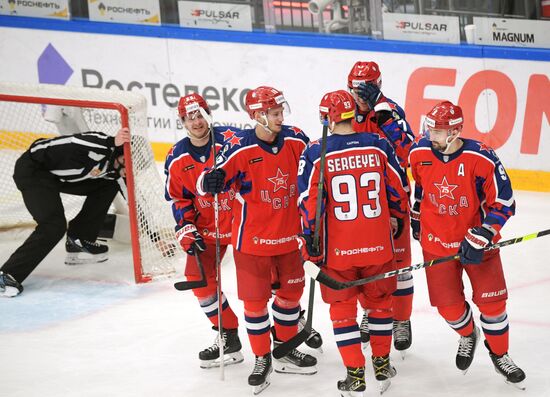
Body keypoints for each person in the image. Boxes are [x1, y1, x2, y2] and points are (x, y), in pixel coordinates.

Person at [198, 86, 317, 394]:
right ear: (257, 116)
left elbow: (316, 170)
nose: (281, 118)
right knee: (255, 304)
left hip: (291, 238)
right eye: (274, 113)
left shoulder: (297, 139)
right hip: (252, 242)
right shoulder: (240, 149)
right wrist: (209, 181)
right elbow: (211, 178)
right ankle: (262, 358)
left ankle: (285, 347)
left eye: (280, 112)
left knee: (291, 298)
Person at [297, 90, 409, 396]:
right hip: (378, 245)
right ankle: (383, 365)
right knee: (381, 307)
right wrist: (397, 216)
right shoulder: (378, 144)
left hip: (338, 251)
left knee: (343, 312)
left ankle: (355, 375)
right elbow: (399, 187)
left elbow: (309, 202)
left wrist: (310, 240)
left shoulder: (316, 152)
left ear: (327, 118)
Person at [408, 101, 526, 389]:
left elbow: (505, 201)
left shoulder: (482, 157)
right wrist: (416, 217)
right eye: (430, 128)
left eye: (437, 131)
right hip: (437, 244)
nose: (430, 135)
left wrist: (484, 233)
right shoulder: (419, 152)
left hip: (477, 245)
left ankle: (500, 355)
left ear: (455, 131)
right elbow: (421, 189)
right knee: (449, 308)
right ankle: (468, 333)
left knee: (493, 303)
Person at [0, 127, 130, 297]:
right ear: (120, 153)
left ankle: (79, 238)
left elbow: (135, 205)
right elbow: (68, 142)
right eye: (128, 162)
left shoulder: (116, 174)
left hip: (57, 178)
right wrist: (111, 141)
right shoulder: (99, 145)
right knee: (54, 226)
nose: (129, 169)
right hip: (34, 171)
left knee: (108, 186)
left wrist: (154, 237)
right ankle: (7, 275)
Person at [164, 93, 243, 369]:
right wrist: (185, 227)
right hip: (208, 229)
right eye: (189, 117)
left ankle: (289, 324)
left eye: (199, 114)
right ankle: (228, 333)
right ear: (182, 121)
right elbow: (179, 198)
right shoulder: (177, 157)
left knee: (269, 279)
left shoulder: (234, 140)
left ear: (208, 113)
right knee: (198, 278)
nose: (196, 121)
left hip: (244, 224)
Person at [347, 61, 415, 355]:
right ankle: (370, 312)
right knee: (365, 263)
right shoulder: (343, 112)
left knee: (399, 267)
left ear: (378, 86)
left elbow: (408, 151)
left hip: (392, 201)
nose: (360, 95)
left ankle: (401, 320)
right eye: (356, 89)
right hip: (361, 204)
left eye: (367, 89)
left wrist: (383, 116)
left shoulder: (390, 111)